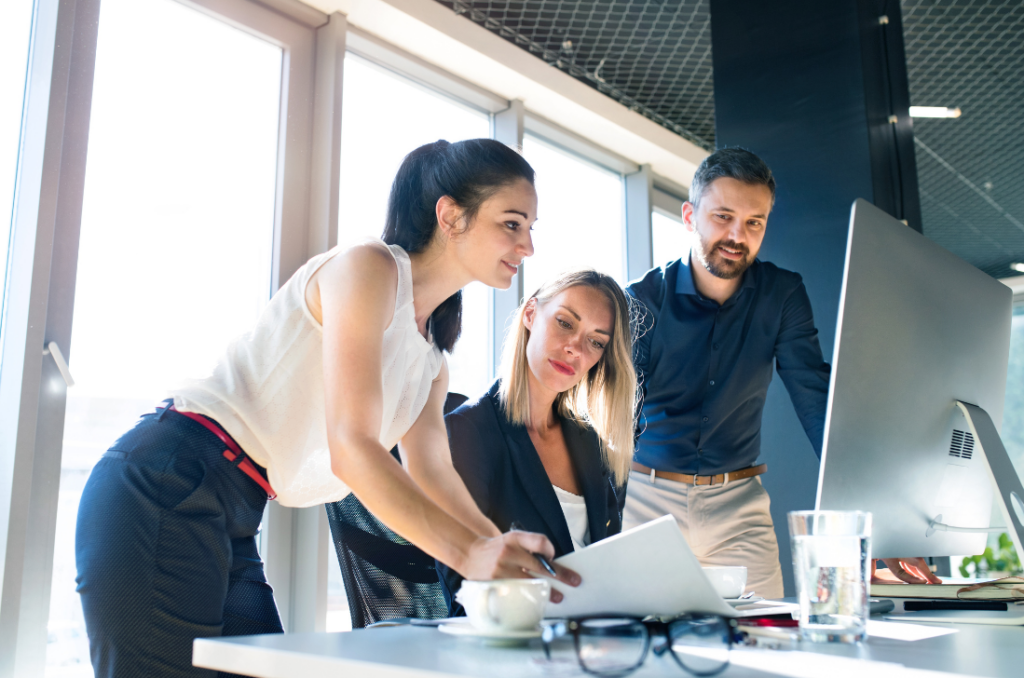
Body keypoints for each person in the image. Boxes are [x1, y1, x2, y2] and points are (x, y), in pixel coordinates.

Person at [75, 139, 579, 678]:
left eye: (530, 228)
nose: (527, 246)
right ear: (450, 215)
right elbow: (352, 450)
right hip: (168, 478)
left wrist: (499, 552)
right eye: (512, 223)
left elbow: (434, 474)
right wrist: (472, 557)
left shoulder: (431, 360)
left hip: (239, 507)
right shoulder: (369, 268)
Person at [623, 147, 941, 599]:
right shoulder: (640, 299)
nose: (738, 235)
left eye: (754, 222)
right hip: (645, 500)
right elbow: (618, 415)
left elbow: (815, 399)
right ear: (690, 215)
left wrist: (877, 516)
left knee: (770, 648)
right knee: (638, 643)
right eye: (723, 217)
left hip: (739, 505)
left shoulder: (783, 293)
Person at [437, 269, 637, 613]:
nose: (575, 348)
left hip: (593, 635)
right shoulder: (467, 432)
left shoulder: (592, 445)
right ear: (530, 314)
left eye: (596, 341)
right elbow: (463, 590)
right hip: (517, 640)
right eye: (565, 322)